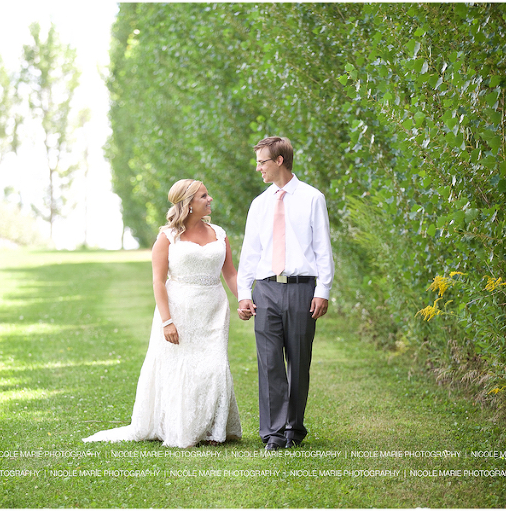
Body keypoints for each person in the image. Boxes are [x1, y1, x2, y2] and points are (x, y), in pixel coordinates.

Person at [83, 179, 242, 448]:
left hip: (214, 308)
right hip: (178, 310)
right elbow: (158, 281)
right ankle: (181, 426)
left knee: (214, 365)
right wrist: (167, 321)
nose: (210, 199)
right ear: (189, 203)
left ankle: (214, 429)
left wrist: (244, 300)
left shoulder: (219, 233)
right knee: (181, 367)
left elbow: (231, 274)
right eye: (204, 196)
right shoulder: (167, 237)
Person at [237, 136, 334, 450]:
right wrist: (243, 292)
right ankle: (274, 434)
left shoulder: (312, 198)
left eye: (262, 161)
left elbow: (322, 249)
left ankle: (293, 428)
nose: (258, 168)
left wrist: (323, 290)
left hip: (300, 289)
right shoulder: (260, 203)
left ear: (279, 160)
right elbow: (250, 252)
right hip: (265, 290)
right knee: (269, 363)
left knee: (298, 361)